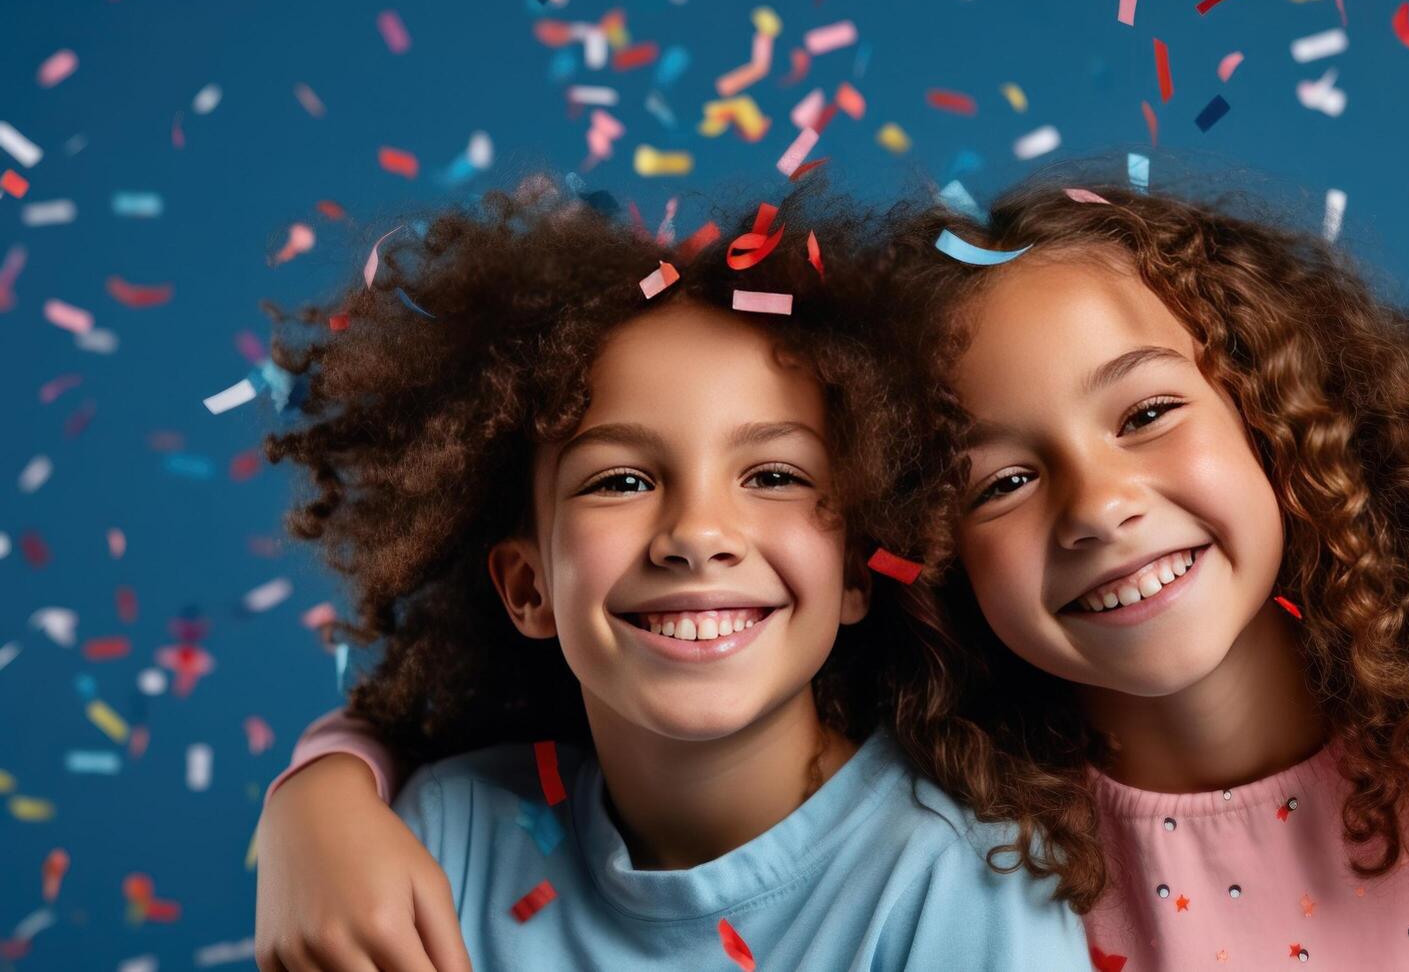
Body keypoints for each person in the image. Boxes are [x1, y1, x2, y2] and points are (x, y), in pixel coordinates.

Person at [879, 175, 1409, 969]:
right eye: (1002, 483)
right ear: (932, 555)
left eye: (1146, 414)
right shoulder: (945, 869)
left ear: (1277, 419)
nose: (1098, 506)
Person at [251, 178, 1092, 972]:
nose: (697, 535)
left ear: (857, 571)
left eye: (774, 476)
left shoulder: (957, 880)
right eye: (620, 481)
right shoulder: (447, 836)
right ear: (527, 587)